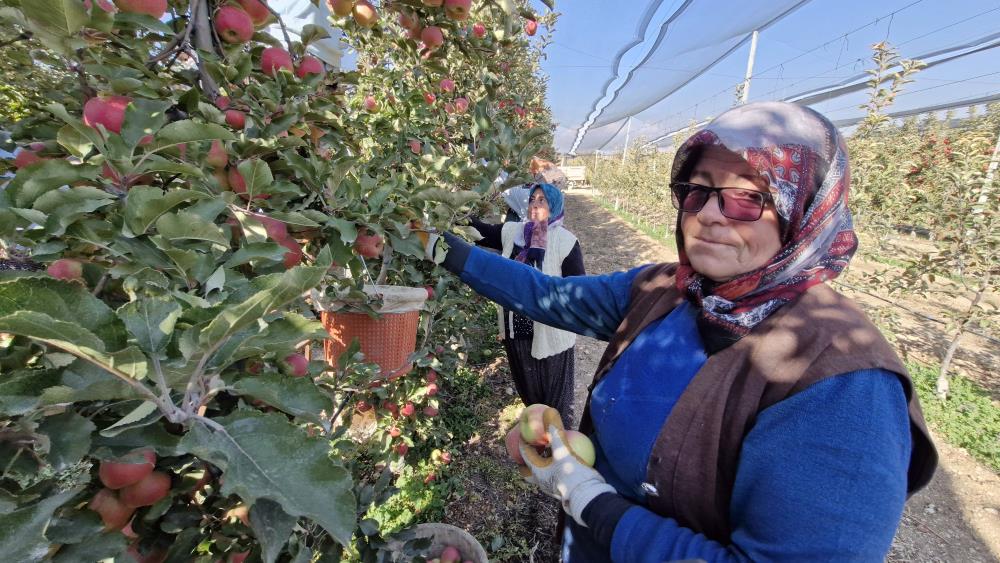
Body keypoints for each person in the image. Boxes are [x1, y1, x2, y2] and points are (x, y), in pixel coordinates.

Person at [424, 101, 937, 561]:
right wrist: (435, 245)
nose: (711, 215)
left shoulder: (842, 385)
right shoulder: (668, 291)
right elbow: (546, 295)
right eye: (696, 191)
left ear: (803, 210)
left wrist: (590, 501)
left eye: (746, 198)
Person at [469, 183, 585, 429]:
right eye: (533, 198)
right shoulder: (514, 232)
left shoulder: (565, 242)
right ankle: (538, 443)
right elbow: (481, 231)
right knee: (530, 396)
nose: (535, 203)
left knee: (555, 404)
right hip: (516, 331)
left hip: (551, 334)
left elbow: (579, 291)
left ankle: (561, 450)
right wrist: (456, 212)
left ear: (554, 206)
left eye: (542, 200)